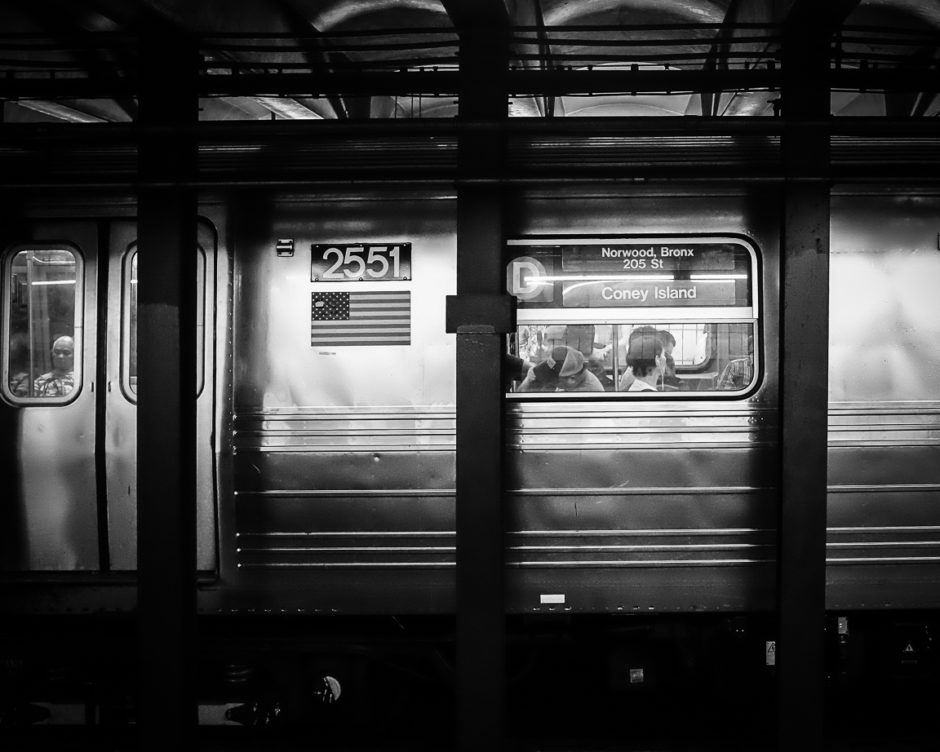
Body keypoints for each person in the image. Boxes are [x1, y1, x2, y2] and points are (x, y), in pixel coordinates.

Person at [518, 345, 604, 393]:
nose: (550, 381)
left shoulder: (584, 394)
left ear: (572, 378)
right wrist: (528, 379)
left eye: (554, 379)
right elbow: (520, 397)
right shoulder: (571, 383)